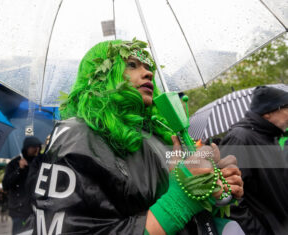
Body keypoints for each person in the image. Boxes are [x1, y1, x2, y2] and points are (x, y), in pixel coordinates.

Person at [26, 39, 243, 235]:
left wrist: (213, 189)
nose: (147, 73)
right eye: (131, 64)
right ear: (100, 75)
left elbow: (178, 200)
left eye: (148, 67)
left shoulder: (160, 135)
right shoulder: (77, 134)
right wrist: (179, 202)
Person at [220, 86, 288, 234]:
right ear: (269, 112)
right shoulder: (240, 138)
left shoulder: (271, 136)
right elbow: (230, 200)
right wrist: (259, 231)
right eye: (287, 108)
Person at [2, 136, 42, 235]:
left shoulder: (40, 162)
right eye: (33, 147)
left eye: (38, 147)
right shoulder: (14, 164)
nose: (36, 149)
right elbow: (5, 185)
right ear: (26, 148)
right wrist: (19, 169)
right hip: (18, 211)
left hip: (36, 210)